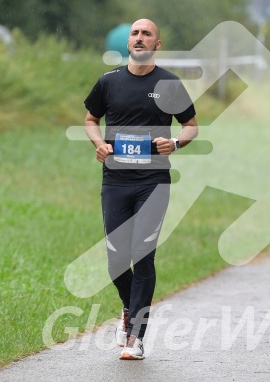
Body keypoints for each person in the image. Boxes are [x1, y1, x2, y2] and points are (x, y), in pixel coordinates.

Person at [83, 18, 198, 360]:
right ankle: (129, 310)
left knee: (142, 254)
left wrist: (175, 143)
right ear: (128, 42)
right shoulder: (109, 82)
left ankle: (136, 337)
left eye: (146, 33)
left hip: (153, 182)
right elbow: (90, 119)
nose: (139, 38)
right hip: (116, 181)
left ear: (156, 45)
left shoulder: (169, 83)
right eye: (135, 33)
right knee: (117, 259)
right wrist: (99, 144)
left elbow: (191, 126)